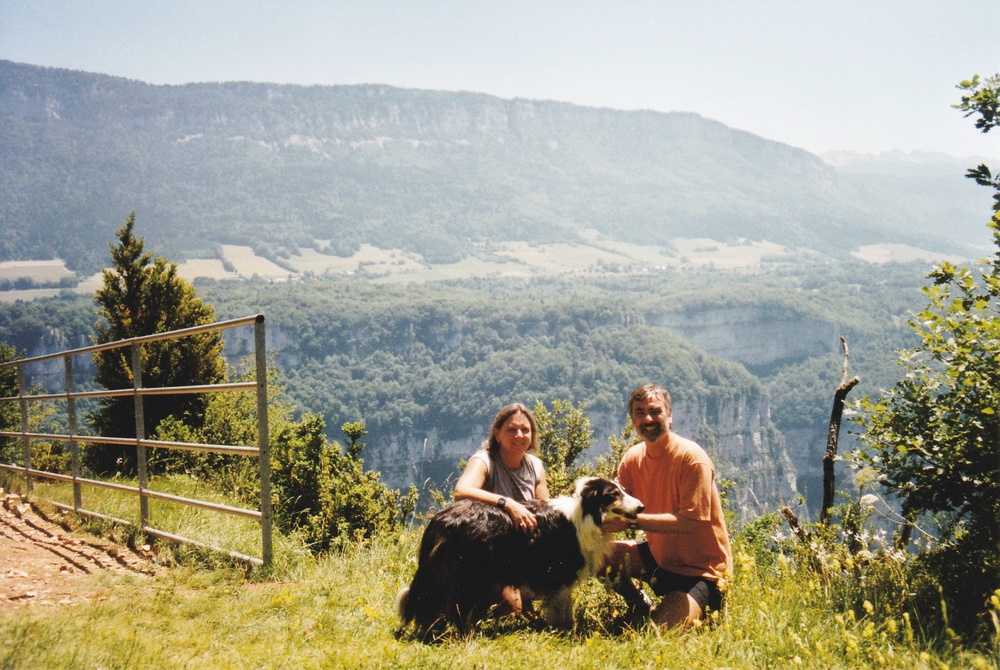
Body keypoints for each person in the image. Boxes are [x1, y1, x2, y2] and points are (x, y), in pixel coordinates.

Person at [602, 384, 733, 629]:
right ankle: (638, 603)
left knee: (656, 633)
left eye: (655, 411)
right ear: (632, 420)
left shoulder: (691, 458)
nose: (648, 419)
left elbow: (690, 522)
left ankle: (696, 609)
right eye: (640, 413)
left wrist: (634, 521)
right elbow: (616, 513)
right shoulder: (632, 460)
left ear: (670, 416)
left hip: (702, 572)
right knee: (598, 555)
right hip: (659, 560)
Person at [453, 402, 549, 613]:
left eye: (525, 430)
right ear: (497, 434)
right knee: (512, 609)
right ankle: (454, 601)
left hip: (521, 550)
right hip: (486, 550)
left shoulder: (535, 466)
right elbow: (461, 491)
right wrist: (507, 504)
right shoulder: (484, 460)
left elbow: (544, 509)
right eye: (511, 430)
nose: (519, 435)